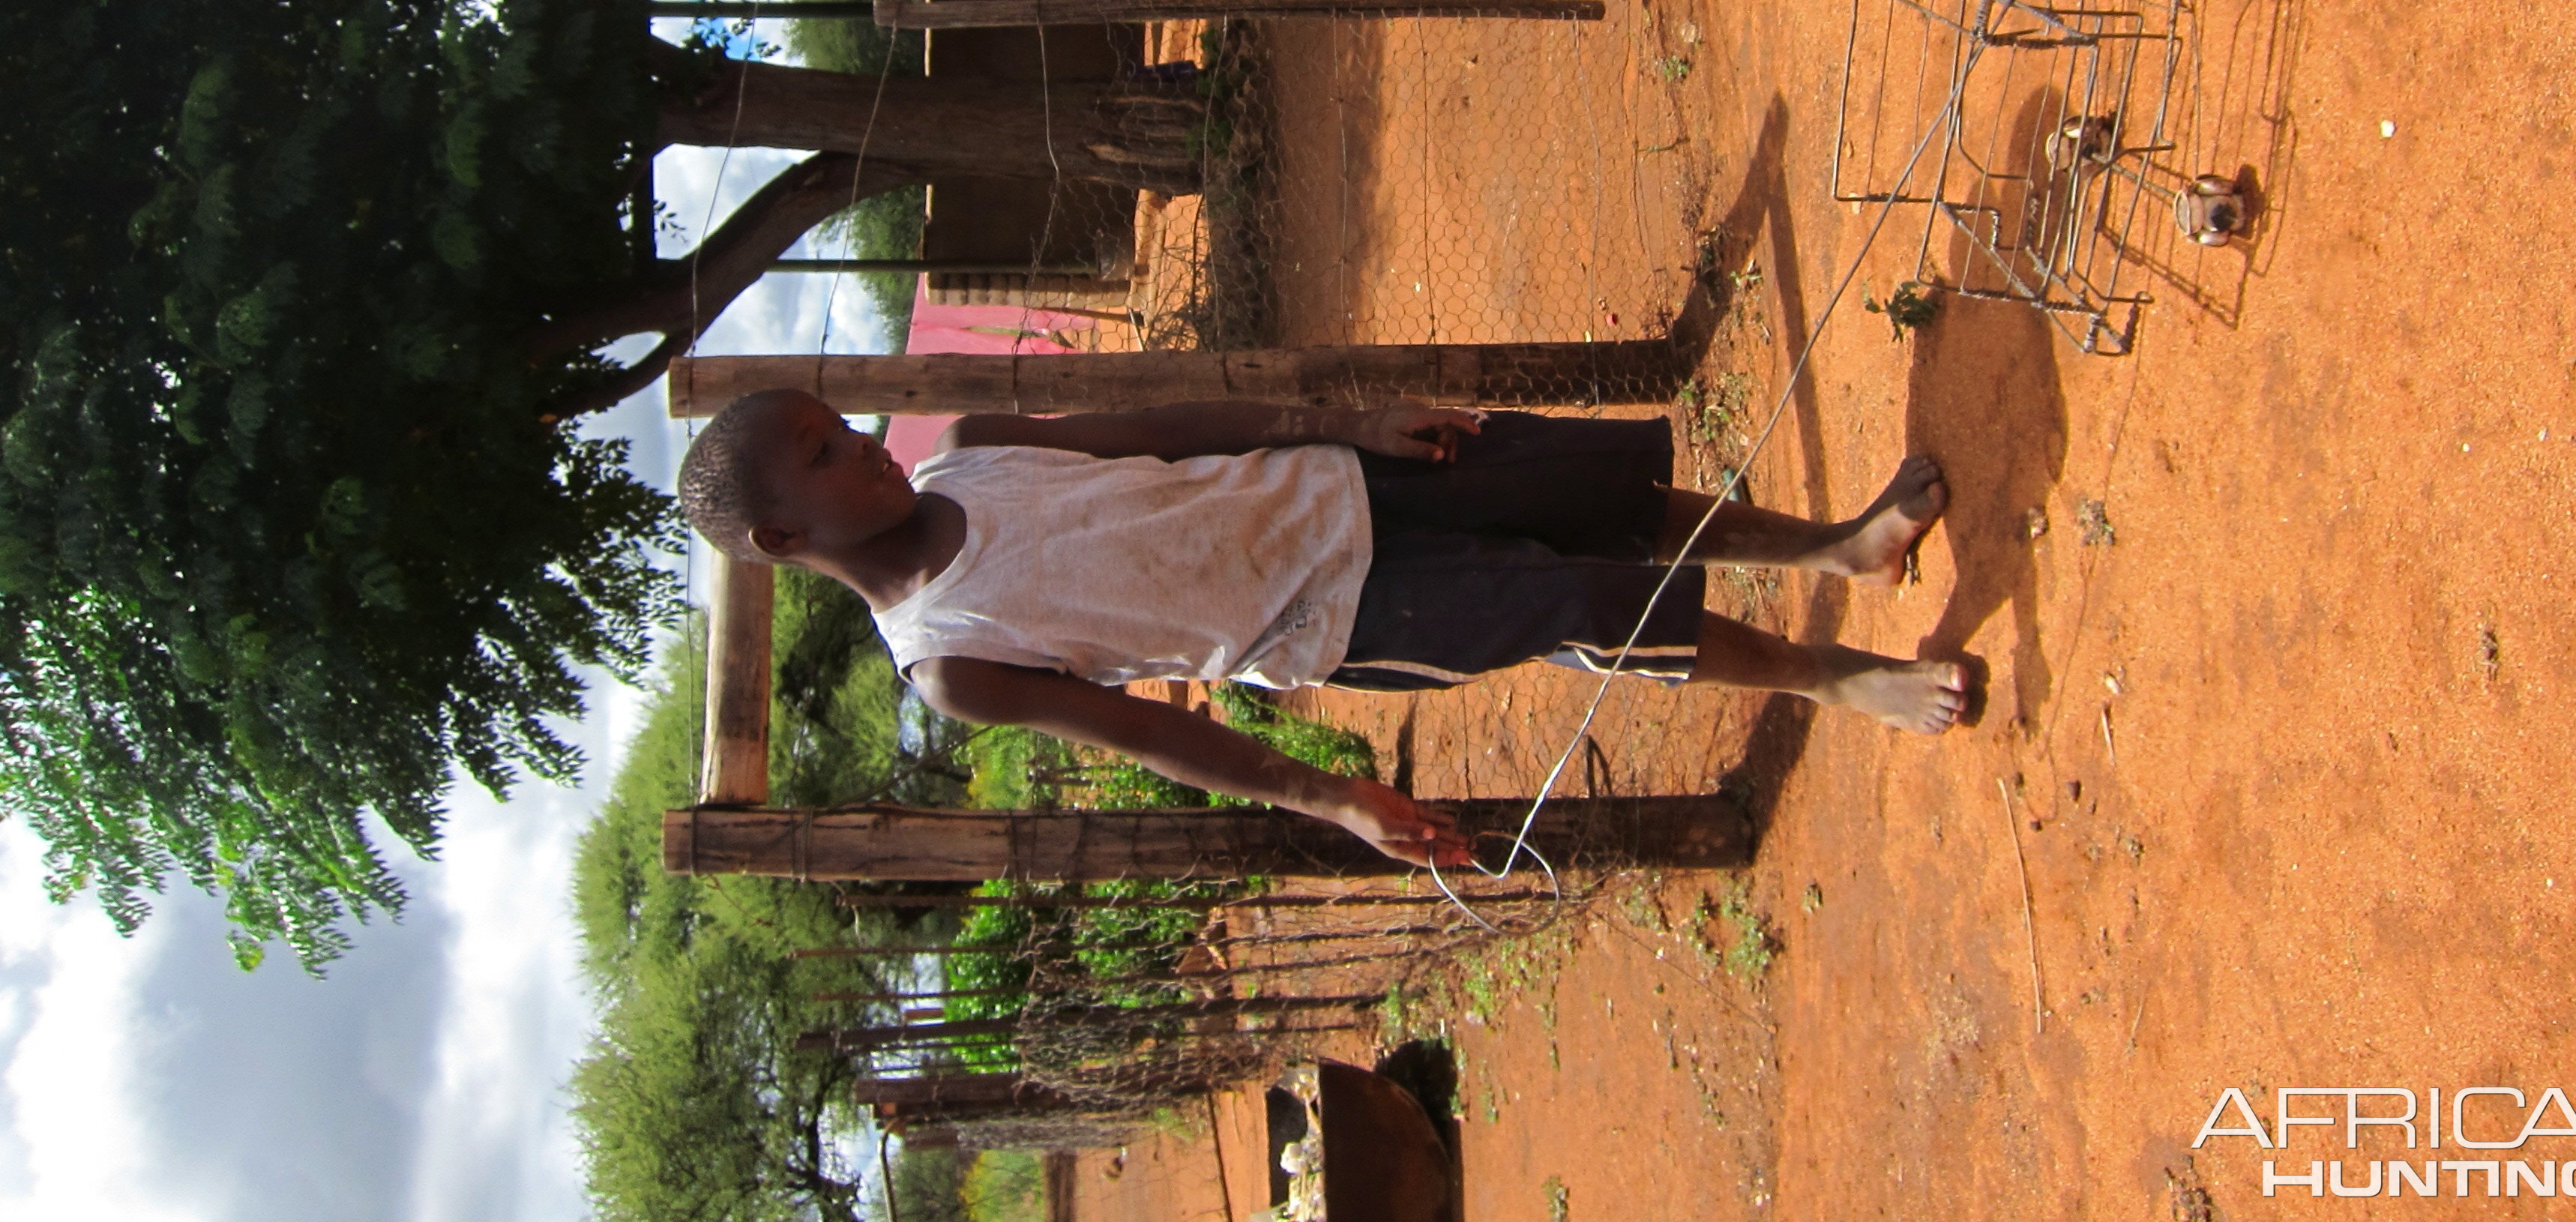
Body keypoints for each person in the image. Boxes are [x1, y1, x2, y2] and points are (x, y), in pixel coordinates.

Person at [676, 394, 1964, 866]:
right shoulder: (952, 656)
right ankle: (1830, 677)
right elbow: (1143, 731)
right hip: (1334, 616)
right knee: (1587, 603)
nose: (860, 450)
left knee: (1598, 498)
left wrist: (1334, 417)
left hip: (1341, 484)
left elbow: (1162, 428)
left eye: (839, 427)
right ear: (786, 540)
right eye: (822, 457)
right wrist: (1326, 796)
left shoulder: (972, 452)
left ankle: (1828, 545)